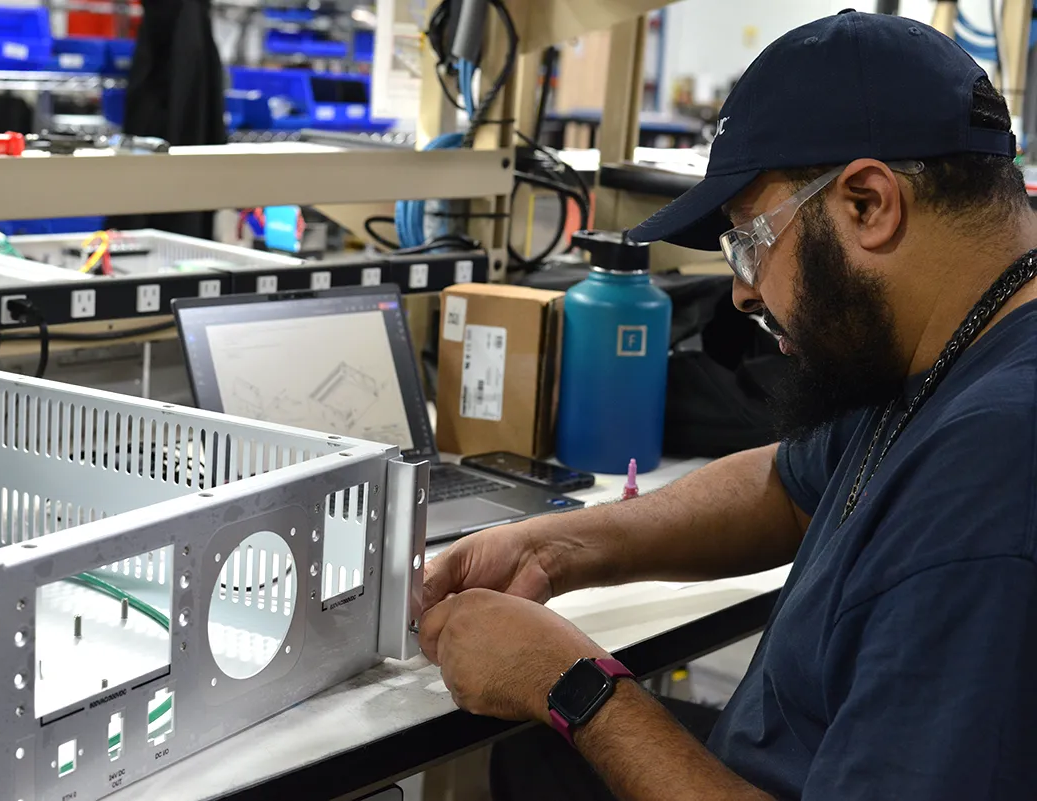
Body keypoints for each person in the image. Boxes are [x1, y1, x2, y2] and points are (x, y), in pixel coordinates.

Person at [418, 10, 1037, 801]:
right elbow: (789, 486)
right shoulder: (945, 349)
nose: (742, 291)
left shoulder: (995, 474)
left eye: (749, 240)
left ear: (868, 205)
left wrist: (572, 683)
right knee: (528, 766)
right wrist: (552, 547)